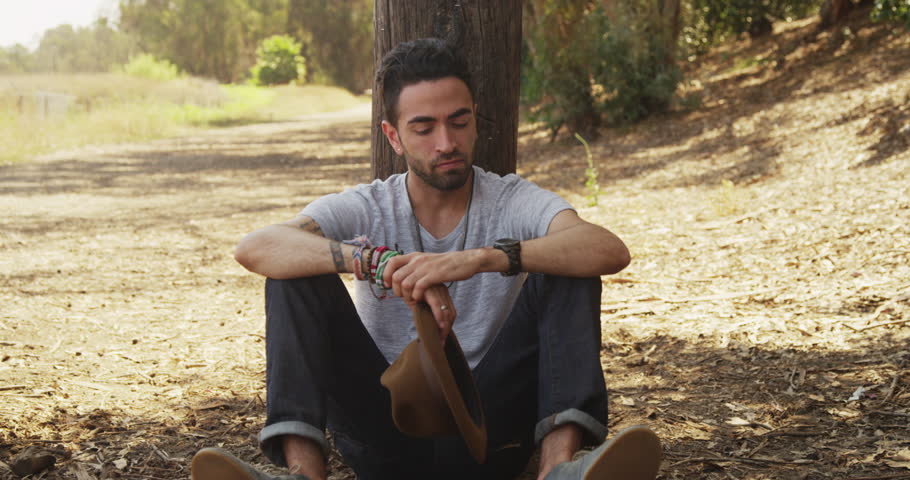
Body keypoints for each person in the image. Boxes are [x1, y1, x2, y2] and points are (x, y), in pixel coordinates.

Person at [190, 38, 661, 480]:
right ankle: (302, 475)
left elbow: (607, 249)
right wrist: (374, 261)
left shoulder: (512, 200)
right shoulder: (368, 206)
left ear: (475, 119)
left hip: (491, 435)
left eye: (459, 121)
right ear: (393, 137)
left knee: (569, 268)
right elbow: (255, 247)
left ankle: (560, 470)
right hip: (385, 433)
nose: (446, 142)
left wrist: (479, 258)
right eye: (424, 127)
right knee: (293, 277)